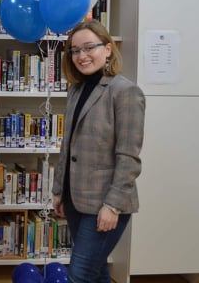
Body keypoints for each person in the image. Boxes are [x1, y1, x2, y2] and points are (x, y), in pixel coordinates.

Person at [51, 20, 145, 283]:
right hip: (74, 200)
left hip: (104, 204)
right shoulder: (75, 90)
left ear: (107, 49)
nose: (82, 56)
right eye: (75, 50)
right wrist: (60, 190)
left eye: (89, 47)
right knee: (97, 270)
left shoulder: (125, 92)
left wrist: (112, 206)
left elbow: (128, 157)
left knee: (80, 275)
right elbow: (67, 146)